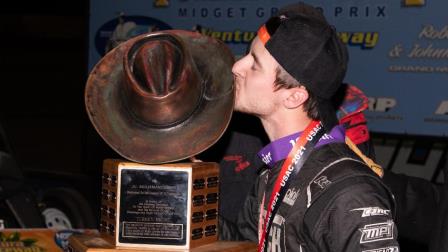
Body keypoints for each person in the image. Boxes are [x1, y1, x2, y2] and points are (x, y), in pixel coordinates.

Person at [228, 2, 399, 251]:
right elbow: (243, 245)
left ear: (294, 97)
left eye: (254, 64)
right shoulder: (271, 173)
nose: (236, 67)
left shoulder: (350, 193)